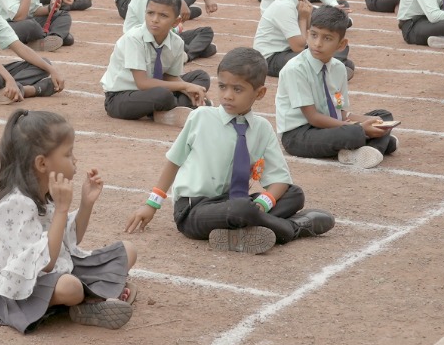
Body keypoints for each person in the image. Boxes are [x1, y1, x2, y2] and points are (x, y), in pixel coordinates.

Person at [125, 48, 335, 253]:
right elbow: (174, 162)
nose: (227, 96)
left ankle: (241, 231)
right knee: (241, 210)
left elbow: (279, 180)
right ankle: (293, 228)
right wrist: (151, 205)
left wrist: (261, 205)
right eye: (222, 86)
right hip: (194, 210)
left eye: (237, 89)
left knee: (294, 194)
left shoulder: (262, 129)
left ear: (260, 93)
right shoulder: (201, 117)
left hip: (235, 203)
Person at [0, 110, 139, 333]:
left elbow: (69, 239)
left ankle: (90, 300)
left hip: (53, 270)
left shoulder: (44, 193)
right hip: (15, 289)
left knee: (127, 250)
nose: (75, 160)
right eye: (68, 154)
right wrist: (62, 209)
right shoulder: (15, 204)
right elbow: (46, 262)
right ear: (42, 163)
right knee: (70, 287)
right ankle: (91, 299)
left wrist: (86, 203)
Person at [275, 8, 397, 168]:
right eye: (314, 35)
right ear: (307, 34)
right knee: (358, 133)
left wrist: (368, 121)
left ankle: (364, 148)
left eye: (327, 38)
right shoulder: (295, 69)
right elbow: (313, 117)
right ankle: (377, 143)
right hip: (299, 135)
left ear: (341, 44)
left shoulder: (339, 69)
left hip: (331, 124)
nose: (318, 43)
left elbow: (340, 111)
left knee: (383, 116)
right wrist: (359, 128)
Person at [101, 0, 211, 126]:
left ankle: (175, 108)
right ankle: (182, 107)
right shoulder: (134, 38)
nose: (154, 20)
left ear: (176, 22)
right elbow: (142, 83)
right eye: (150, 13)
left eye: (163, 15)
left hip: (155, 88)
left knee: (201, 77)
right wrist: (185, 86)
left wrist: (188, 90)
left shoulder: (177, 43)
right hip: (121, 96)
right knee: (163, 95)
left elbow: (170, 76)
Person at [257, 0, 353, 76]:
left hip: (288, 51)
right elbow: (298, 47)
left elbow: (308, 36)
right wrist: (303, 18)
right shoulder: (284, 6)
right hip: (272, 58)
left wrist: (307, 16)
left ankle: (333, 67)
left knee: (338, 49)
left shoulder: (300, 1)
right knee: (320, 58)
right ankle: (331, 70)